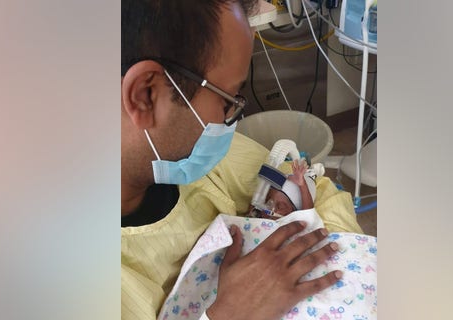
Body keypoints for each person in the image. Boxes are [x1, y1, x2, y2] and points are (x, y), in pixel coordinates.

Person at [121, 1, 362, 319]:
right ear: (146, 94)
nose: (232, 119)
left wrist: (297, 213)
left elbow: (321, 192)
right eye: (228, 100)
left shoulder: (210, 159)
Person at [250, 159, 317, 219]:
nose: (269, 206)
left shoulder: (291, 226)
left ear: (292, 213)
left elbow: (308, 216)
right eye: (267, 199)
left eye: (280, 206)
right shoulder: (254, 216)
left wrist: (303, 185)